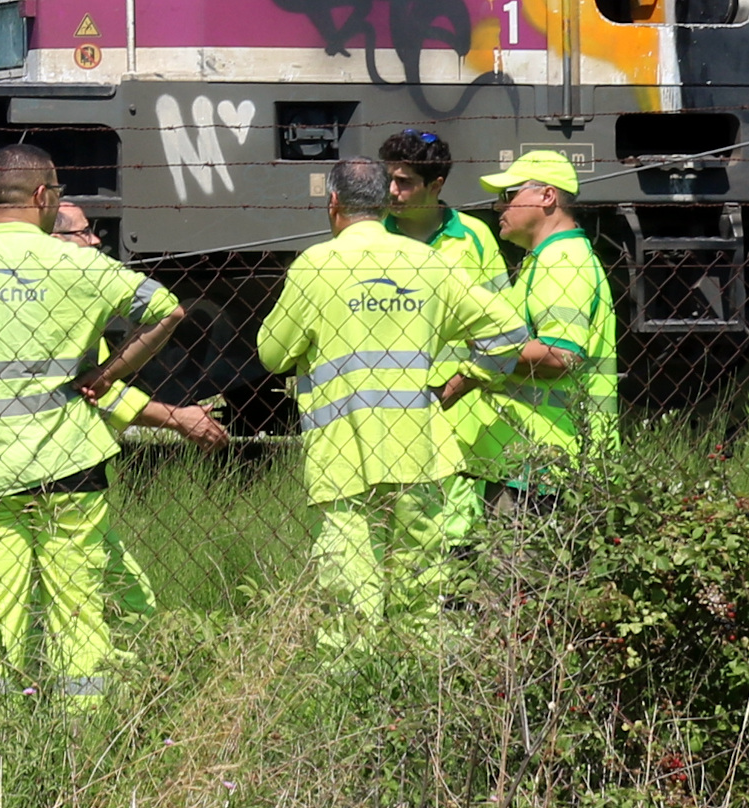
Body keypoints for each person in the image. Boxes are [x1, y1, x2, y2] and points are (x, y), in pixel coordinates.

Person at [0, 147, 189, 702]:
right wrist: (112, 371)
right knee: (79, 610)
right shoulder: (80, 265)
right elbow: (168, 311)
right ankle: (84, 734)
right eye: (58, 192)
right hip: (69, 468)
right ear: (43, 197)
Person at [253, 156, 524, 647]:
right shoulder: (427, 263)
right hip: (419, 449)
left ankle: (352, 693)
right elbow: (506, 332)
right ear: (383, 203)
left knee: (351, 593)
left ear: (333, 202)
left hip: (342, 456)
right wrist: (467, 378)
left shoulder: (316, 265)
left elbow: (273, 355)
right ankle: (424, 697)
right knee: (421, 590)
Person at [467, 150, 616, 518]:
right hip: (537, 462)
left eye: (509, 195)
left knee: (523, 575)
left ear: (547, 197)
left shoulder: (561, 262)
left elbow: (558, 354)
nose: (498, 207)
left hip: (545, 470)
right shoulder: (547, 259)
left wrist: (479, 353)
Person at [53, 194, 233, 455]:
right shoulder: (63, 315)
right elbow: (97, 393)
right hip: (60, 464)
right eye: (84, 232)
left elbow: (103, 394)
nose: (95, 240)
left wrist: (176, 417)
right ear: (57, 241)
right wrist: (176, 418)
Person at [375, 130, 510, 297]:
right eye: (389, 179)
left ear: (435, 186)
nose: (392, 190)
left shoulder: (476, 235)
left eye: (404, 181)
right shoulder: (372, 235)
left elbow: (502, 306)